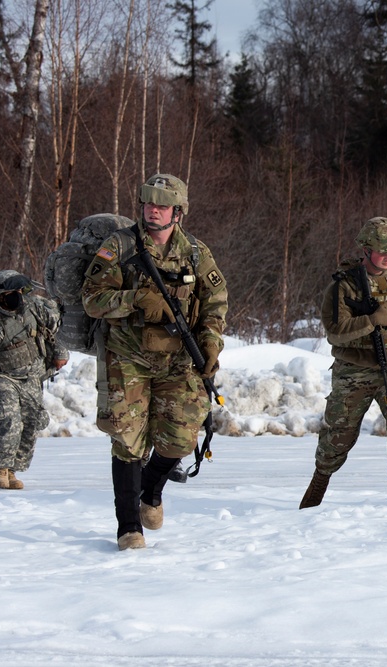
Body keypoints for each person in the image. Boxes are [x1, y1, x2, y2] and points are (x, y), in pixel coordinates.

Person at [82, 173, 228, 550]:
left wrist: (211, 342)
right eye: (148, 204)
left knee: (181, 438)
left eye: (161, 206)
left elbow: (215, 303)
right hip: (127, 357)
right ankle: (129, 527)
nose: (152, 211)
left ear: (177, 213)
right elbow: (92, 299)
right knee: (127, 442)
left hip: (178, 359)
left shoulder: (196, 253)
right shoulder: (121, 246)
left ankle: (151, 488)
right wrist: (136, 300)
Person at [299, 217, 387, 509]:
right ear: (366, 248)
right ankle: (317, 487)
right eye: (382, 251)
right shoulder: (343, 286)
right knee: (339, 435)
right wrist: (371, 321)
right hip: (354, 369)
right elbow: (335, 332)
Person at [0, 270, 69, 489]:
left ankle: (13, 470)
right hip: (3, 376)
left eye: (19, 291)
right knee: (9, 420)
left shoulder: (33, 307)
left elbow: (56, 325)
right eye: (11, 292)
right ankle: (0, 468)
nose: (17, 296)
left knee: (31, 423)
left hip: (33, 375)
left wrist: (60, 352)